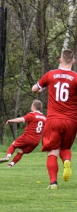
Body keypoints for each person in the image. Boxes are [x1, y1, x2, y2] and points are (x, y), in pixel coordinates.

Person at [32, 49, 77, 189]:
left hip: (53, 119)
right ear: (73, 61)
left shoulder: (50, 75)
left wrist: (42, 88)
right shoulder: (76, 77)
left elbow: (35, 88)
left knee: (52, 151)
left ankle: (53, 183)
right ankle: (67, 161)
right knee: (65, 148)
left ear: (60, 60)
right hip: (71, 120)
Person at [0, 100, 46, 167]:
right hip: (36, 141)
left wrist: (11, 120)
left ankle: (8, 157)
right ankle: (10, 165)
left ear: (33, 107)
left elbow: (21, 119)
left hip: (27, 137)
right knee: (21, 152)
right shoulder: (44, 118)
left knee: (14, 145)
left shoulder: (32, 115)